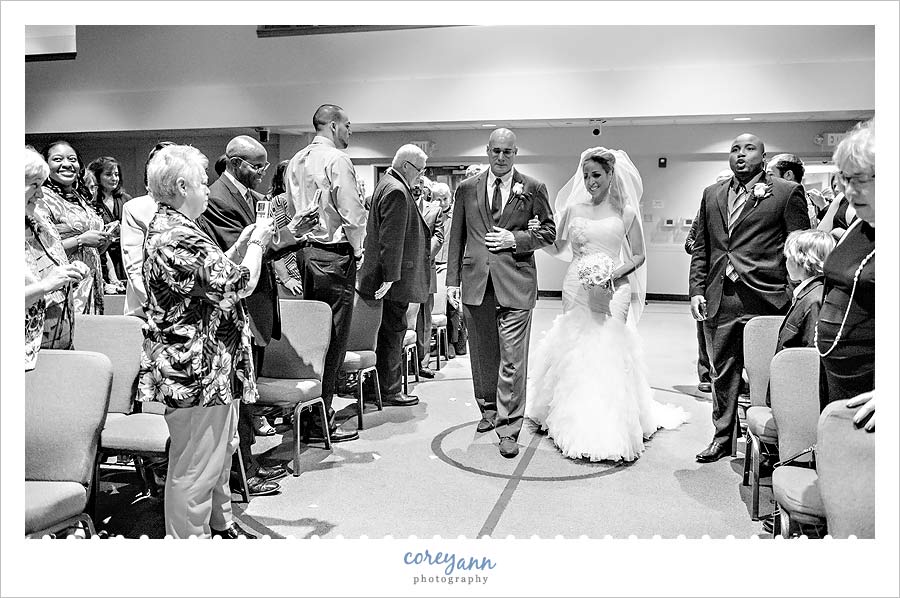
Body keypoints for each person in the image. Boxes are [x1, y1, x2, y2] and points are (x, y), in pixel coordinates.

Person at [137, 144, 274, 539]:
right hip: (195, 370)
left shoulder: (180, 227)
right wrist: (260, 246)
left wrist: (243, 246)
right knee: (194, 469)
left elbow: (208, 276)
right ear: (181, 186)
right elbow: (238, 283)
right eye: (200, 183)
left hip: (208, 366)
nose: (207, 190)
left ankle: (220, 525)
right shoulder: (176, 234)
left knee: (215, 457)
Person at [526, 148, 688, 462]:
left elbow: (639, 255)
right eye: (585, 176)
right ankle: (570, 413)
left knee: (608, 347)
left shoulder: (626, 211)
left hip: (615, 286)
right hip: (576, 284)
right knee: (576, 346)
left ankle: (610, 420)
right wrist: (537, 238)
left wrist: (613, 272)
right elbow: (559, 245)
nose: (590, 181)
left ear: (611, 174)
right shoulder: (573, 208)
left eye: (596, 175)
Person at [689, 133, 809, 463]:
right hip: (721, 296)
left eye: (749, 149)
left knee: (768, 373)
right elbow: (703, 247)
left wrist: (794, 292)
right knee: (723, 371)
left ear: (764, 155)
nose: (741, 154)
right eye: (734, 149)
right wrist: (697, 290)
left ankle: (771, 445)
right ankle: (721, 438)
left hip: (767, 297)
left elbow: (798, 246)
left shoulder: (785, 193)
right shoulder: (712, 194)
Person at [199, 135, 305, 494]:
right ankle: (240, 472)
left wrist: (293, 232)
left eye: (263, 165)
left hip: (256, 305)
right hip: (238, 306)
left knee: (247, 392)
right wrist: (288, 237)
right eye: (256, 166)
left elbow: (265, 246)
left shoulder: (251, 198)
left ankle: (247, 464)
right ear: (234, 162)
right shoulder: (217, 198)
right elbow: (246, 252)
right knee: (239, 396)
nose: (262, 172)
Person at [446, 128, 556, 458]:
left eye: (507, 152)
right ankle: (489, 411)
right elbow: (457, 235)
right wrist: (452, 281)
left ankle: (509, 428)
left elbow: (549, 232)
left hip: (516, 282)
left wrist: (516, 240)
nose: (501, 157)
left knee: (513, 358)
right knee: (482, 355)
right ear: (487, 151)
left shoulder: (533, 188)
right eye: (496, 151)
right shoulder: (467, 188)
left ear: (515, 153)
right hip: (476, 282)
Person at [284, 103, 368, 443]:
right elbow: (352, 212)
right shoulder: (337, 160)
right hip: (333, 257)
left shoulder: (294, 161)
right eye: (347, 125)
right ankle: (320, 420)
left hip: (304, 252)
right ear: (333, 126)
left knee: (310, 338)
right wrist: (359, 250)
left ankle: (305, 416)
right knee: (333, 339)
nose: (350, 131)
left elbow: (290, 210)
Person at [357, 145, 431, 405]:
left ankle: (381, 386)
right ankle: (390, 389)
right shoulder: (397, 190)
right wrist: (390, 277)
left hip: (390, 276)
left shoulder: (385, 183)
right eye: (420, 171)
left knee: (388, 331)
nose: (420, 177)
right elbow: (392, 239)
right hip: (393, 279)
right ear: (406, 166)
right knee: (393, 330)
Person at [815, 119, 875, 409]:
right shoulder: (860, 224)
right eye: (844, 179)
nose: (849, 191)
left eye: (860, 179)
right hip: (837, 373)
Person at [25, 146, 88, 369]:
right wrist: (46, 285)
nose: (41, 194)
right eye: (34, 185)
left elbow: (54, 265)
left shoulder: (38, 221)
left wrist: (70, 270)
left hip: (57, 339)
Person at [37, 140, 111, 315]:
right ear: (45, 165)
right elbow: (41, 252)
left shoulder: (81, 197)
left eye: (72, 159)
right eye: (57, 159)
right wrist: (80, 240)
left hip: (92, 282)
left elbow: (91, 250)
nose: (67, 164)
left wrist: (103, 242)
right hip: (63, 285)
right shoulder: (41, 198)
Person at [120, 141, 174, 318]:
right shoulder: (136, 207)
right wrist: (156, 306)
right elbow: (133, 266)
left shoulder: (190, 205)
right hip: (146, 307)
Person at [774, 229, 834, 355]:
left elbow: (810, 353)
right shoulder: (814, 293)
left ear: (801, 261)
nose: (786, 262)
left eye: (788, 258)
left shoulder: (813, 300)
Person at [414, 176, 445, 378]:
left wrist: (424, 256)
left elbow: (439, 237)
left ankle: (422, 362)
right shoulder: (399, 204)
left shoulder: (435, 210)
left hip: (425, 269)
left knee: (424, 318)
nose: (418, 187)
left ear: (426, 190)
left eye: (421, 185)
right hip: (403, 270)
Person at [87, 156, 131, 284]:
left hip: (124, 256)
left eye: (116, 174)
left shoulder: (126, 199)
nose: (114, 178)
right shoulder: (92, 201)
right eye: (108, 174)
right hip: (103, 257)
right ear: (97, 177)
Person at [269, 159, 304, 297]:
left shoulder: (302, 199)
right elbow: (276, 239)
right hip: (289, 274)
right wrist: (286, 278)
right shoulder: (280, 200)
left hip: (302, 270)